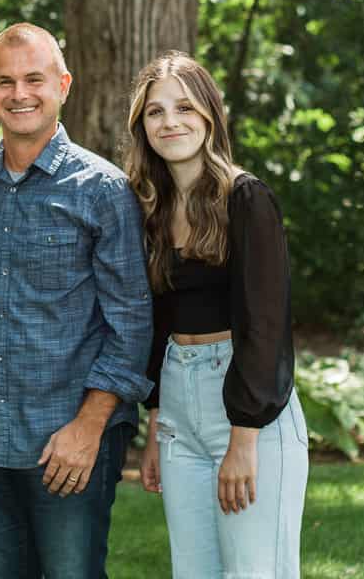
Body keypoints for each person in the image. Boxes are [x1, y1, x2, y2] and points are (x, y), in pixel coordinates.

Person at [0, 23, 154, 578]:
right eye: (6, 81)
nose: (20, 93)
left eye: (34, 79)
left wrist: (88, 428)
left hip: (69, 442)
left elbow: (132, 323)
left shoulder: (103, 190)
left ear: (63, 84)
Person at [126, 51, 309, 579]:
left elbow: (265, 325)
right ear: (143, 127)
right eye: (155, 112)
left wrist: (243, 438)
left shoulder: (246, 198)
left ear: (210, 115)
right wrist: (158, 417)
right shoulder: (151, 209)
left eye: (184, 107)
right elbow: (161, 318)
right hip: (179, 412)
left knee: (256, 572)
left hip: (248, 408)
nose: (170, 122)